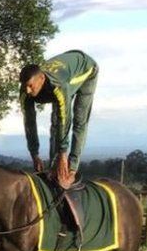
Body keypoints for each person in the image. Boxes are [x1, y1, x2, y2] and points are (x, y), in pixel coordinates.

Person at [20, 50, 98, 187]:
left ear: (42, 79)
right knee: (55, 124)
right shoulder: (25, 92)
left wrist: (63, 155)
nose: (27, 90)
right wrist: (34, 154)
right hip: (66, 73)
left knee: (79, 121)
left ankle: (71, 170)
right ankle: (53, 168)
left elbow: (65, 120)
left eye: (30, 86)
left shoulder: (58, 86)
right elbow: (29, 123)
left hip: (86, 70)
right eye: (24, 86)